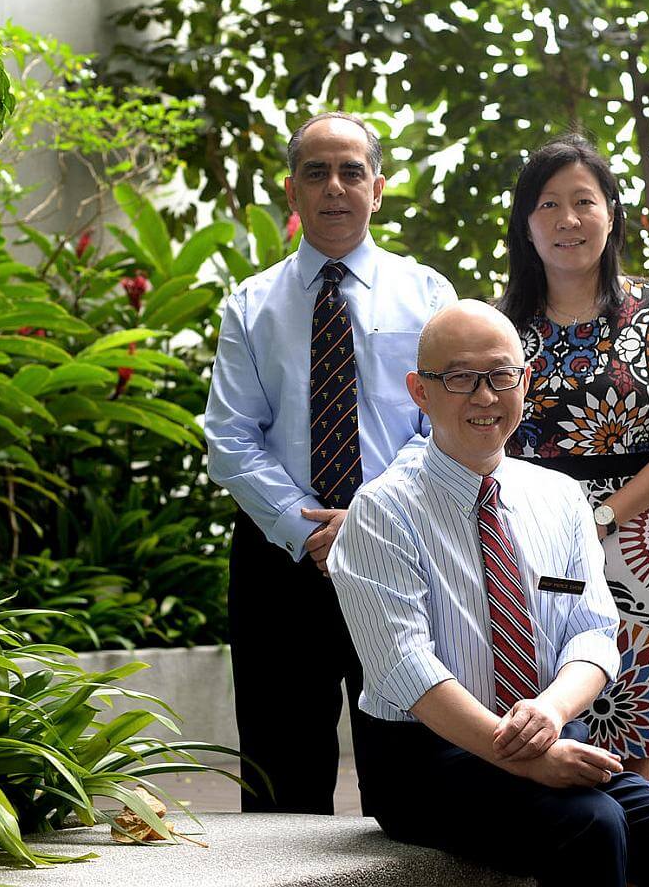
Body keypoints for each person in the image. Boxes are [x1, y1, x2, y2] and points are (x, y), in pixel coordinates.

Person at [329, 300, 649, 887]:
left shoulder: (560, 497)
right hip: (428, 759)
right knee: (592, 824)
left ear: (525, 382)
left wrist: (551, 713)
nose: (484, 396)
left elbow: (593, 634)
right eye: (460, 377)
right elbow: (406, 669)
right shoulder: (382, 509)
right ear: (420, 392)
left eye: (501, 375)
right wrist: (524, 758)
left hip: (552, 730)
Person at [203, 112, 456, 813]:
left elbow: (447, 423)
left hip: (402, 550)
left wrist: (367, 518)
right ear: (292, 192)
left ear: (378, 187)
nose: (335, 187)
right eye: (316, 173)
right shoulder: (251, 304)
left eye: (351, 172)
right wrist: (309, 528)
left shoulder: (428, 295)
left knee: (410, 770)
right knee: (279, 774)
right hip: (279, 558)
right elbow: (230, 436)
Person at [498, 133, 649, 779]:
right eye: (548, 204)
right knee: (535, 713)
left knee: (631, 721)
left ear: (611, 214)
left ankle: (635, 838)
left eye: (584, 201)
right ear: (526, 225)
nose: (568, 219)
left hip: (639, 540)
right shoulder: (500, 325)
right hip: (531, 541)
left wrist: (603, 516)